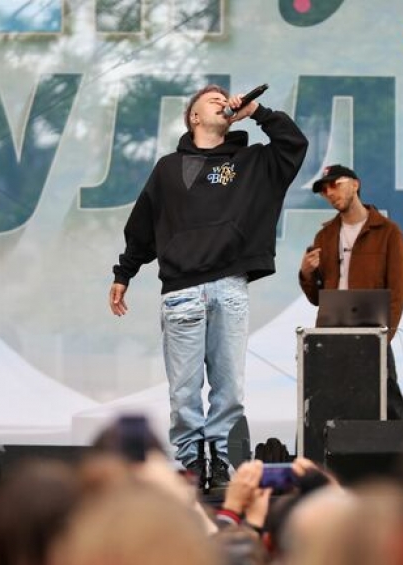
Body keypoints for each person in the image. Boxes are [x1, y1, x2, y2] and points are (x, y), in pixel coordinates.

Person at [109, 84, 308, 491]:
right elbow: (142, 225)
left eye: (225, 100)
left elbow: (294, 144)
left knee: (229, 387)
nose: (222, 102)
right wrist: (123, 273)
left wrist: (257, 112)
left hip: (229, 284)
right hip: (181, 289)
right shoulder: (168, 167)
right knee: (184, 391)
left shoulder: (251, 162)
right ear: (194, 117)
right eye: (211, 101)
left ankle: (218, 460)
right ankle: (191, 462)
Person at [299, 164, 403, 419]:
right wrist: (306, 273)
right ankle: (318, 447)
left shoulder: (388, 232)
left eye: (335, 185)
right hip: (331, 333)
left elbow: (397, 292)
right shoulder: (324, 236)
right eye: (324, 190)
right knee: (323, 406)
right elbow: (317, 298)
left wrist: (384, 337)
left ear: (355, 184)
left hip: (373, 332)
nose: (329, 193)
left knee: (386, 404)